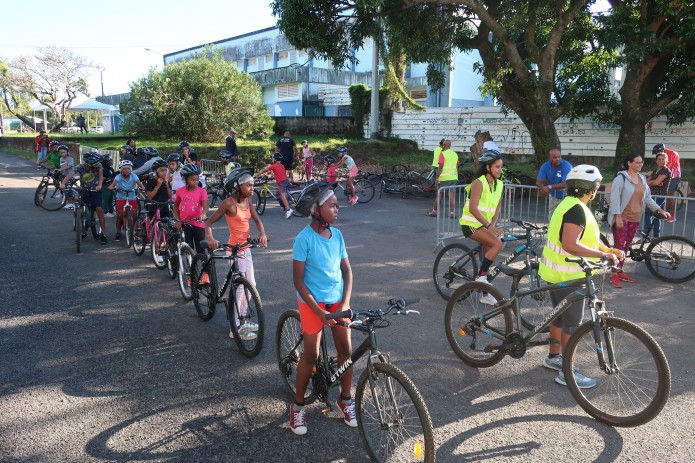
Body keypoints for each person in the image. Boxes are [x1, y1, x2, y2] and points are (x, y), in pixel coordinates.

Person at [538, 165, 624, 389]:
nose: (597, 190)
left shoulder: (569, 205)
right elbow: (570, 244)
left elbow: (585, 239)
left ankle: (554, 357)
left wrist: (608, 250)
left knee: (558, 319)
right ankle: (567, 372)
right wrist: (603, 255)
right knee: (572, 326)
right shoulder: (577, 209)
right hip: (570, 276)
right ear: (591, 189)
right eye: (596, 187)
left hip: (555, 273)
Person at [289, 183, 355, 436]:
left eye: (338, 204)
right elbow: (298, 281)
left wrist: (346, 302)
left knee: (346, 351)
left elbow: (347, 271)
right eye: (333, 205)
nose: (338, 208)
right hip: (312, 303)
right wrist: (318, 311)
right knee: (310, 354)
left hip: (337, 301)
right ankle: (297, 406)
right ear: (316, 209)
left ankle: (345, 400)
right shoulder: (303, 239)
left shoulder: (337, 235)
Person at [205, 167, 268, 340]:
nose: (252, 188)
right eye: (249, 185)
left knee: (251, 284)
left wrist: (261, 233)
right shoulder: (229, 203)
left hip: (245, 248)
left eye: (253, 185)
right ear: (238, 186)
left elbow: (257, 220)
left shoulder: (248, 201)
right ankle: (235, 326)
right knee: (240, 288)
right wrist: (211, 238)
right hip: (233, 250)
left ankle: (243, 319)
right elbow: (208, 223)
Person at [607, 153, 669, 288]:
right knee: (619, 246)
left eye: (641, 162)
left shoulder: (641, 178)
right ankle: (614, 275)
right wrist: (617, 216)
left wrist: (660, 210)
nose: (640, 164)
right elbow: (615, 198)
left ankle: (619, 270)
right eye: (637, 162)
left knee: (625, 246)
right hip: (622, 217)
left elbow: (647, 198)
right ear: (629, 163)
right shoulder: (621, 178)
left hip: (635, 218)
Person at [458, 150, 505, 304]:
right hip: (470, 224)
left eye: (501, 167)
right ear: (488, 167)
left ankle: (485, 295)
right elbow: (473, 208)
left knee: (488, 258)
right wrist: (488, 225)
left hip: (484, 226)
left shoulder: (500, 184)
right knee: (497, 244)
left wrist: (493, 225)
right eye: (497, 167)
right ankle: (481, 278)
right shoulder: (479, 182)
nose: (500, 170)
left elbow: (497, 208)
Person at [60, 151, 108, 244]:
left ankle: (103, 234)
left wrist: (100, 185)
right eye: (96, 163)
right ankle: (82, 232)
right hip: (84, 190)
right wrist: (63, 184)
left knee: (99, 209)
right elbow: (69, 176)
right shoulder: (80, 167)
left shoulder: (99, 167)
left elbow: (101, 177)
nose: (98, 164)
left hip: (95, 191)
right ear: (89, 163)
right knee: (79, 210)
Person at [173, 163, 208, 252]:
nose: (196, 182)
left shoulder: (202, 191)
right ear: (185, 179)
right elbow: (176, 207)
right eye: (192, 180)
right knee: (188, 248)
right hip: (185, 224)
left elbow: (205, 206)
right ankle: (190, 264)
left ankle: (204, 265)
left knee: (201, 249)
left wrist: (203, 214)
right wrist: (178, 220)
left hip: (198, 223)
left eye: (197, 179)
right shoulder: (180, 191)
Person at [109, 159, 145, 242]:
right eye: (124, 169)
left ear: (131, 169)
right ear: (121, 170)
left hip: (132, 197)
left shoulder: (134, 176)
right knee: (119, 216)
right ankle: (118, 232)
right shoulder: (118, 176)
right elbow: (113, 184)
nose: (126, 170)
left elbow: (139, 183)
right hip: (121, 197)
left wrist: (142, 187)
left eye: (128, 168)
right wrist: (112, 187)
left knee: (135, 215)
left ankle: (135, 230)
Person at [536, 148, 572, 219]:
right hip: (553, 196)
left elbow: (565, 184)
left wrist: (548, 187)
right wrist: (543, 187)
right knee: (552, 218)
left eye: (559, 157)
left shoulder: (567, 166)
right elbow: (538, 182)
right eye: (555, 157)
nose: (558, 159)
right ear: (550, 158)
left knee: (565, 219)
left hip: (567, 197)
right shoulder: (545, 166)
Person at [426, 139, 458, 218]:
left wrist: (437, 177)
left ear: (444, 145)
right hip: (453, 177)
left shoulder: (443, 154)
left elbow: (440, 166)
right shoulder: (455, 154)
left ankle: (434, 211)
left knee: (440, 194)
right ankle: (452, 213)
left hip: (444, 178)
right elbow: (457, 165)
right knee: (451, 195)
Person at [256, 153, 294, 218]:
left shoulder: (273, 166)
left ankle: (288, 209)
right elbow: (279, 173)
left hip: (282, 182)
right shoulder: (282, 165)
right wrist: (274, 176)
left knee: (282, 195)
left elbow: (264, 170)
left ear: (274, 159)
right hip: (286, 180)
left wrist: (257, 175)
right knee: (279, 193)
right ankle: (285, 205)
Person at [644, 151, 672, 238]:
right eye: (659, 159)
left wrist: (653, 182)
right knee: (656, 215)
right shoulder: (656, 171)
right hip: (652, 195)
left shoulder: (665, 170)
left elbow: (655, 183)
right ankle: (656, 236)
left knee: (648, 214)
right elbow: (647, 182)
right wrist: (653, 182)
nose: (661, 161)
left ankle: (646, 236)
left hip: (660, 196)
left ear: (666, 160)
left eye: (663, 159)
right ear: (656, 161)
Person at [653, 144, 681, 223]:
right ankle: (666, 214)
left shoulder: (672, 154)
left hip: (674, 176)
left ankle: (671, 216)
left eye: (657, 153)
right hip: (668, 174)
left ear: (661, 150)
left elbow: (668, 167)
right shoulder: (664, 154)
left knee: (669, 195)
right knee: (665, 194)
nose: (656, 155)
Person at [145, 159, 172, 227]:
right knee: (154, 228)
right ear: (156, 171)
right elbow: (149, 197)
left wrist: (167, 186)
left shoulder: (166, 182)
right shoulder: (150, 182)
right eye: (161, 170)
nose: (164, 173)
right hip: (154, 208)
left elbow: (170, 197)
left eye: (165, 170)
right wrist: (157, 186)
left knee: (166, 228)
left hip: (164, 208)